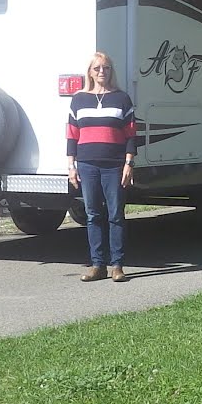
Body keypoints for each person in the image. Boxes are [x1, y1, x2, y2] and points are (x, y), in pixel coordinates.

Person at [66, 52, 137, 281]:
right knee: (92, 215)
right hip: (87, 165)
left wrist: (129, 163)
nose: (101, 72)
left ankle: (117, 266)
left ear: (111, 71)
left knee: (115, 215)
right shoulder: (79, 99)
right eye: (97, 68)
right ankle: (98, 265)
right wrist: (71, 166)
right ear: (90, 72)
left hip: (114, 165)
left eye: (106, 68)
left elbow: (131, 135)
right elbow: (71, 135)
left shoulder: (121, 98)